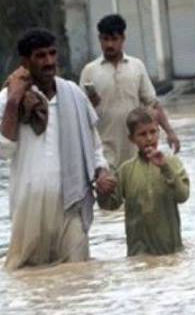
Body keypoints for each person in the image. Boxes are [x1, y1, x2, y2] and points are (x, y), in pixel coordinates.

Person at [0, 29, 115, 270]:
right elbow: (3, 151)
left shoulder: (74, 94)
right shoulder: (8, 99)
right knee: (29, 277)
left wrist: (102, 172)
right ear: (25, 61)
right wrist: (13, 102)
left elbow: (94, 147)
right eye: (40, 56)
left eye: (52, 54)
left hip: (72, 201)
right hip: (29, 206)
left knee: (78, 274)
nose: (49, 62)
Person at [79, 14, 180, 170]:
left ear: (123, 38)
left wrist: (170, 132)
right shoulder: (89, 71)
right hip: (106, 154)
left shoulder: (136, 66)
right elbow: (80, 115)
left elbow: (153, 104)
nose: (109, 44)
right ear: (99, 39)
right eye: (105, 39)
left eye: (114, 39)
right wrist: (90, 105)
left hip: (138, 151)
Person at [98, 107, 190, 256]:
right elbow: (110, 205)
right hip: (138, 252)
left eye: (153, 132)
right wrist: (102, 190)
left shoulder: (172, 163)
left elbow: (183, 196)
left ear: (159, 133)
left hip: (170, 250)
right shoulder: (125, 170)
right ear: (132, 139)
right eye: (142, 134)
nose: (149, 138)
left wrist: (165, 168)